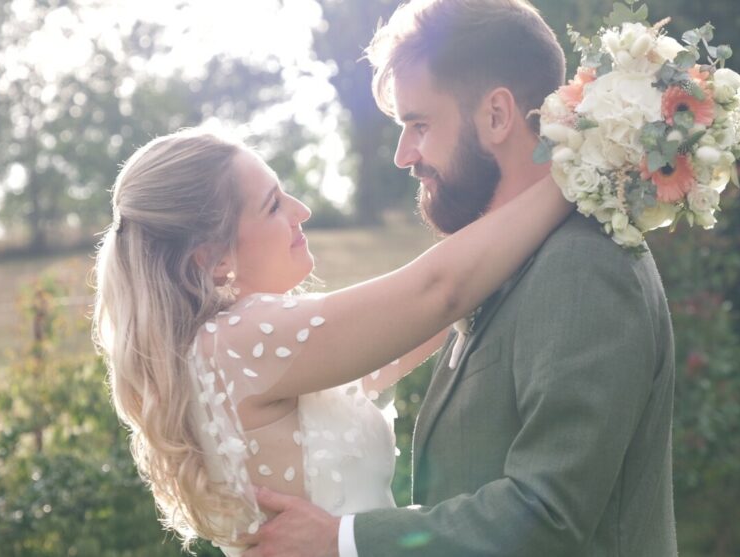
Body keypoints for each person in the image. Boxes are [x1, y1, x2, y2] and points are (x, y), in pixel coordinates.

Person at [242, 1, 678, 556]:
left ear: (497, 115)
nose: (404, 154)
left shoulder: (581, 265)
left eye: (419, 125)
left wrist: (343, 541)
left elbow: (549, 513)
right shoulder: (506, 265)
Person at [90, 127, 572, 555]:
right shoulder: (237, 340)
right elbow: (437, 292)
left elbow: (430, 320)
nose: (302, 211)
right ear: (214, 260)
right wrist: (578, 175)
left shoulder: (222, 351)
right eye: (273, 205)